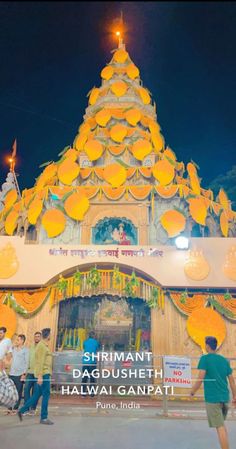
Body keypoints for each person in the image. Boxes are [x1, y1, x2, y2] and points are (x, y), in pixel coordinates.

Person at [190, 336, 236, 449]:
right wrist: (235, 395)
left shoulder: (205, 359)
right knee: (221, 426)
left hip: (213, 399)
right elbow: (231, 380)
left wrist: (192, 392)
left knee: (220, 428)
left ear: (207, 345)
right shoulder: (224, 360)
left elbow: (200, 378)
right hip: (225, 398)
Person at [18, 328, 54, 425]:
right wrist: (40, 376)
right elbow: (39, 362)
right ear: (48, 335)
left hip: (43, 374)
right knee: (46, 395)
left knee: (36, 395)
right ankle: (44, 417)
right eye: (51, 334)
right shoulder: (42, 346)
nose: (51, 335)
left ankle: (21, 410)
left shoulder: (43, 345)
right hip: (44, 374)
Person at [7, 334, 29, 415]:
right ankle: (9, 407)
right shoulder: (14, 349)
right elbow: (8, 354)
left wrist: (24, 374)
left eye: (18, 340)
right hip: (11, 373)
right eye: (16, 340)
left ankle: (15, 408)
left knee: (18, 392)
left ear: (22, 341)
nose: (17, 341)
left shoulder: (26, 350)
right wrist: (12, 346)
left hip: (19, 374)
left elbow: (27, 363)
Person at [23, 331, 42, 415]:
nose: (36, 338)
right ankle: (27, 408)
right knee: (26, 389)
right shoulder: (31, 347)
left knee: (35, 391)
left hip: (38, 373)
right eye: (35, 336)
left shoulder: (42, 347)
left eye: (38, 336)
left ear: (40, 338)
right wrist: (25, 372)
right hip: (30, 372)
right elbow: (28, 360)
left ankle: (33, 409)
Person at [0, 327, 19, 409]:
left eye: (1, 333)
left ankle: (10, 404)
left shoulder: (7, 341)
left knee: (5, 385)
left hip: (1, 365)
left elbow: (9, 354)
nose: (0, 334)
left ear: (4, 333)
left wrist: (5, 363)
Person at [82, 331, 99, 398]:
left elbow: (84, 348)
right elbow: (97, 349)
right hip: (92, 363)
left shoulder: (85, 342)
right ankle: (92, 394)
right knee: (92, 379)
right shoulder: (96, 342)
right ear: (94, 336)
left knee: (84, 378)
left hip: (85, 362)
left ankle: (83, 394)